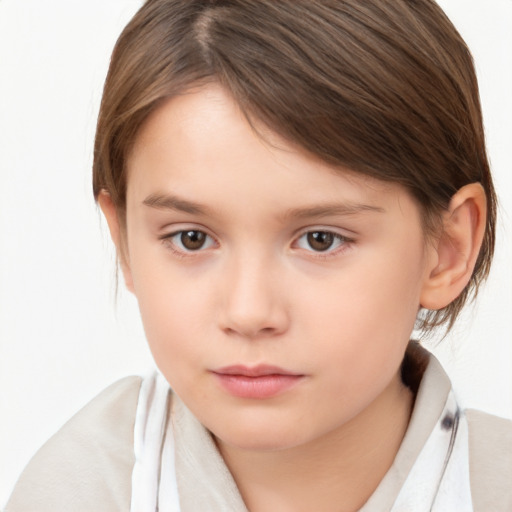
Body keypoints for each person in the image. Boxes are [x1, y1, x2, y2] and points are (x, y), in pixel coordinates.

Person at [5, 0, 511, 510]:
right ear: (126, 244)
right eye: (191, 238)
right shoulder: (77, 491)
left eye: (320, 239)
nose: (249, 313)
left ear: (447, 249)